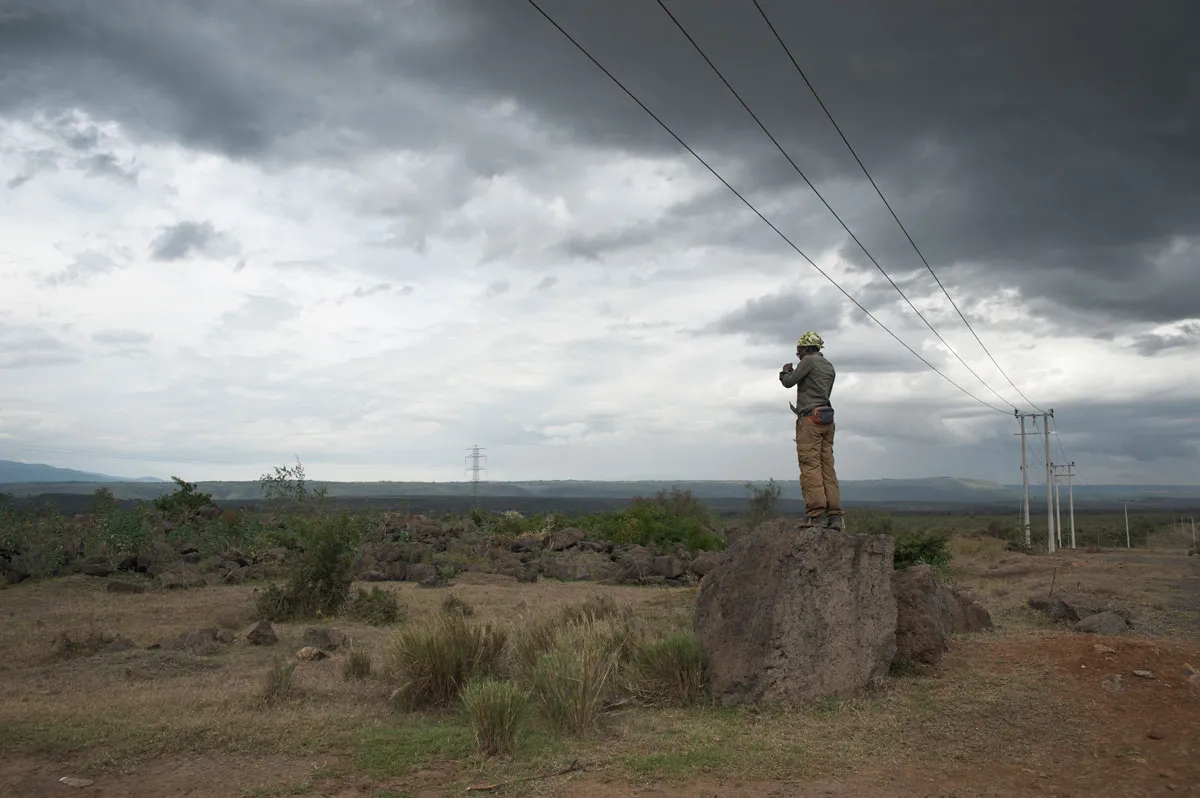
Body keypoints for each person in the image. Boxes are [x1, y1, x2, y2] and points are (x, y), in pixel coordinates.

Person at [779, 331, 843, 529]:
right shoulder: (828, 366)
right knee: (827, 467)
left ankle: (816, 515)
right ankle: (834, 516)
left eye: (799, 350)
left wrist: (785, 372)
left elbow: (789, 382)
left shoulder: (809, 361)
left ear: (807, 348)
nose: (798, 354)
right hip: (826, 419)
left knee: (810, 466)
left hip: (810, 420)